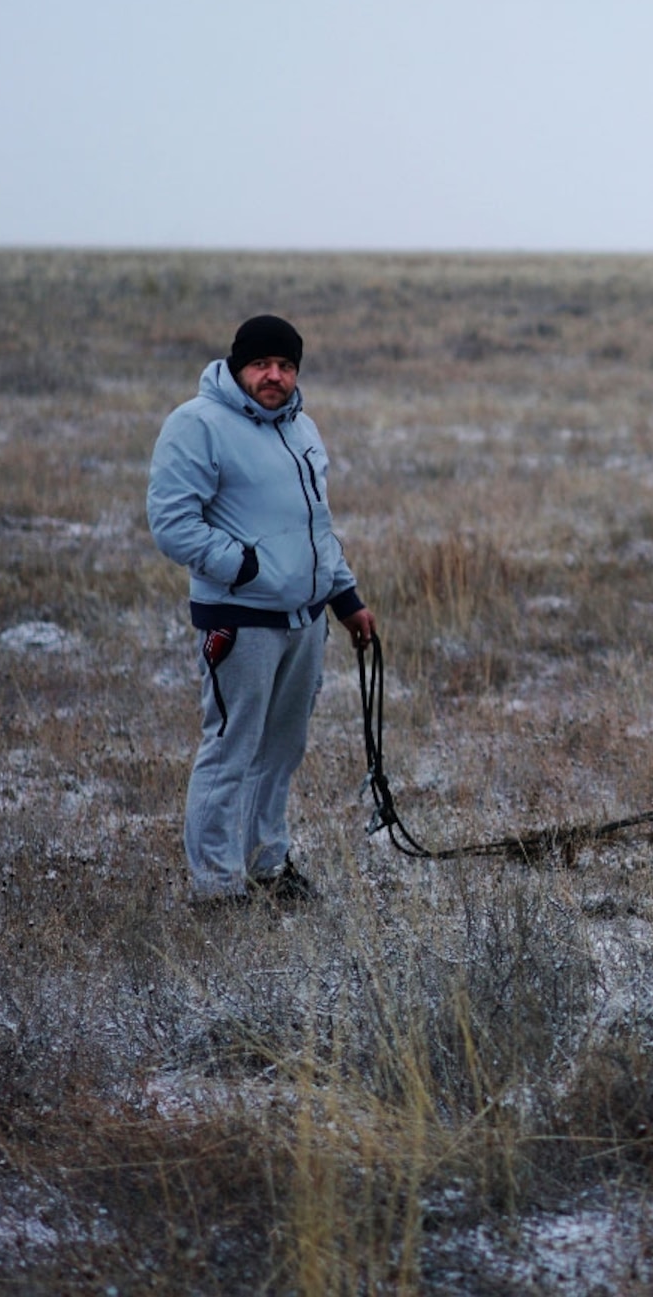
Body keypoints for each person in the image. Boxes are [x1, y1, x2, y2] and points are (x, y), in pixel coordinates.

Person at [146, 313, 377, 905]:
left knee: (280, 751)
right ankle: (217, 889)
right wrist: (245, 568)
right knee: (230, 749)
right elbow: (173, 525)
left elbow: (315, 528)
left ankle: (265, 867)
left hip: (304, 622)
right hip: (239, 621)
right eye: (261, 365)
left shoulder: (301, 429)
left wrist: (345, 599)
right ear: (237, 366)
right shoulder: (196, 425)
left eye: (285, 365)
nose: (273, 376)